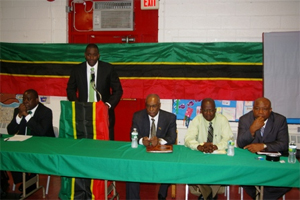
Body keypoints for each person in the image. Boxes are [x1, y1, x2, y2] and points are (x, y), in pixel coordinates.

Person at [237, 97, 291, 199]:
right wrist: (252, 130)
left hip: (273, 162)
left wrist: (263, 146)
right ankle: (262, 196)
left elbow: (283, 144)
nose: (260, 112)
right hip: (251, 162)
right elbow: (240, 144)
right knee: (242, 175)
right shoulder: (245, 119)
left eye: (265, 109)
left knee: (287, 178)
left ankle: (262, 197)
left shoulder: (280, 120)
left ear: (270, 110)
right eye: (257, 108)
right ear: (253, 109)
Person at [66, 43, 123, 141]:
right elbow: (70, 89)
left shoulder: (108, 69)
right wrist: (78, 104)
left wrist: (107, 105)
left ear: (98, 55)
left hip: (103, 112)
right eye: (89, 54)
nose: (91, 57)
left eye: (94, 54)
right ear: (85, 55)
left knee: (105, 144)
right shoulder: (77, 69)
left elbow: (118, 90)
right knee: (85, 142)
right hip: (84, 112)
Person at [126, 94, 177, 200]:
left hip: (161, 153)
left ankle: (162, 194)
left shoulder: (169, 117)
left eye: (154, 106)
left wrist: (159, 141)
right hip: (143, 153)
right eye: (148, 106)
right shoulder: (138, 116)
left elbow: (172, 137)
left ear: (159, 105)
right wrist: (141, 140)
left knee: (170, 165)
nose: (151, 109)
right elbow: (133, 133)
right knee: (131, 168)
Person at [7, 89, 55, 195]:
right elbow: (10, 131)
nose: (25, 102)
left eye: (29, 99)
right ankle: (22, 180)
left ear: (37, 100)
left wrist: (27, 116)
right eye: (24, 99)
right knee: (10, 153)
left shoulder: (46, 112)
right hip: (24, 144)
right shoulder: (18, 111)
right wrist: (19, 116)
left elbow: (41, 131)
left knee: (32, 155)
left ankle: (31, 180)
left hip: (42, 146)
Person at [184, 98, 233, 200]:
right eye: (205, 110)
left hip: (218, 158)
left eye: (211, 110)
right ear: (201, 111)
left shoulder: (222, 120)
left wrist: (216, 146)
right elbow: (188, 139)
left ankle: (206, 194)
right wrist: (199, 146)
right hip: (200, 157)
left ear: (215, 110)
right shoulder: (197, 120)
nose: (208, 113)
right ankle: (211, 194)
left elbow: (228, 139)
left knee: (222, 170)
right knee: (192, 168)